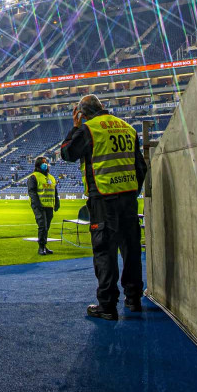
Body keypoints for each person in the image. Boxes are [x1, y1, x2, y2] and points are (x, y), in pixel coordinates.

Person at [59, 94, 147, 321]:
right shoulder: (127, 128)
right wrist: (131, 191)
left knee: (104, 252)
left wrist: (75, 127)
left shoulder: (89, 129)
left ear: (82, 113)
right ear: (102, 107)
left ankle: (107, 306)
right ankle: (134, 299)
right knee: (131, 250)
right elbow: (141, 166)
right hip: (128, 198)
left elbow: (67, 153)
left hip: (104, 199)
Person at [27, 155, 60, 254]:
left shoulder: (51, 178)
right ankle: (41, 247)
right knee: (42, 226)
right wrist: (38, 204)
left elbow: (55, 192)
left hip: (49, 205)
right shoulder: (34, 177)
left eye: (46, 163)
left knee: (47, 226)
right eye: (43, 163)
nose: (46, 165)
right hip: (39, 206)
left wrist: (57, 203)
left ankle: (44, 246)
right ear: (38, 165)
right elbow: (32, 192)